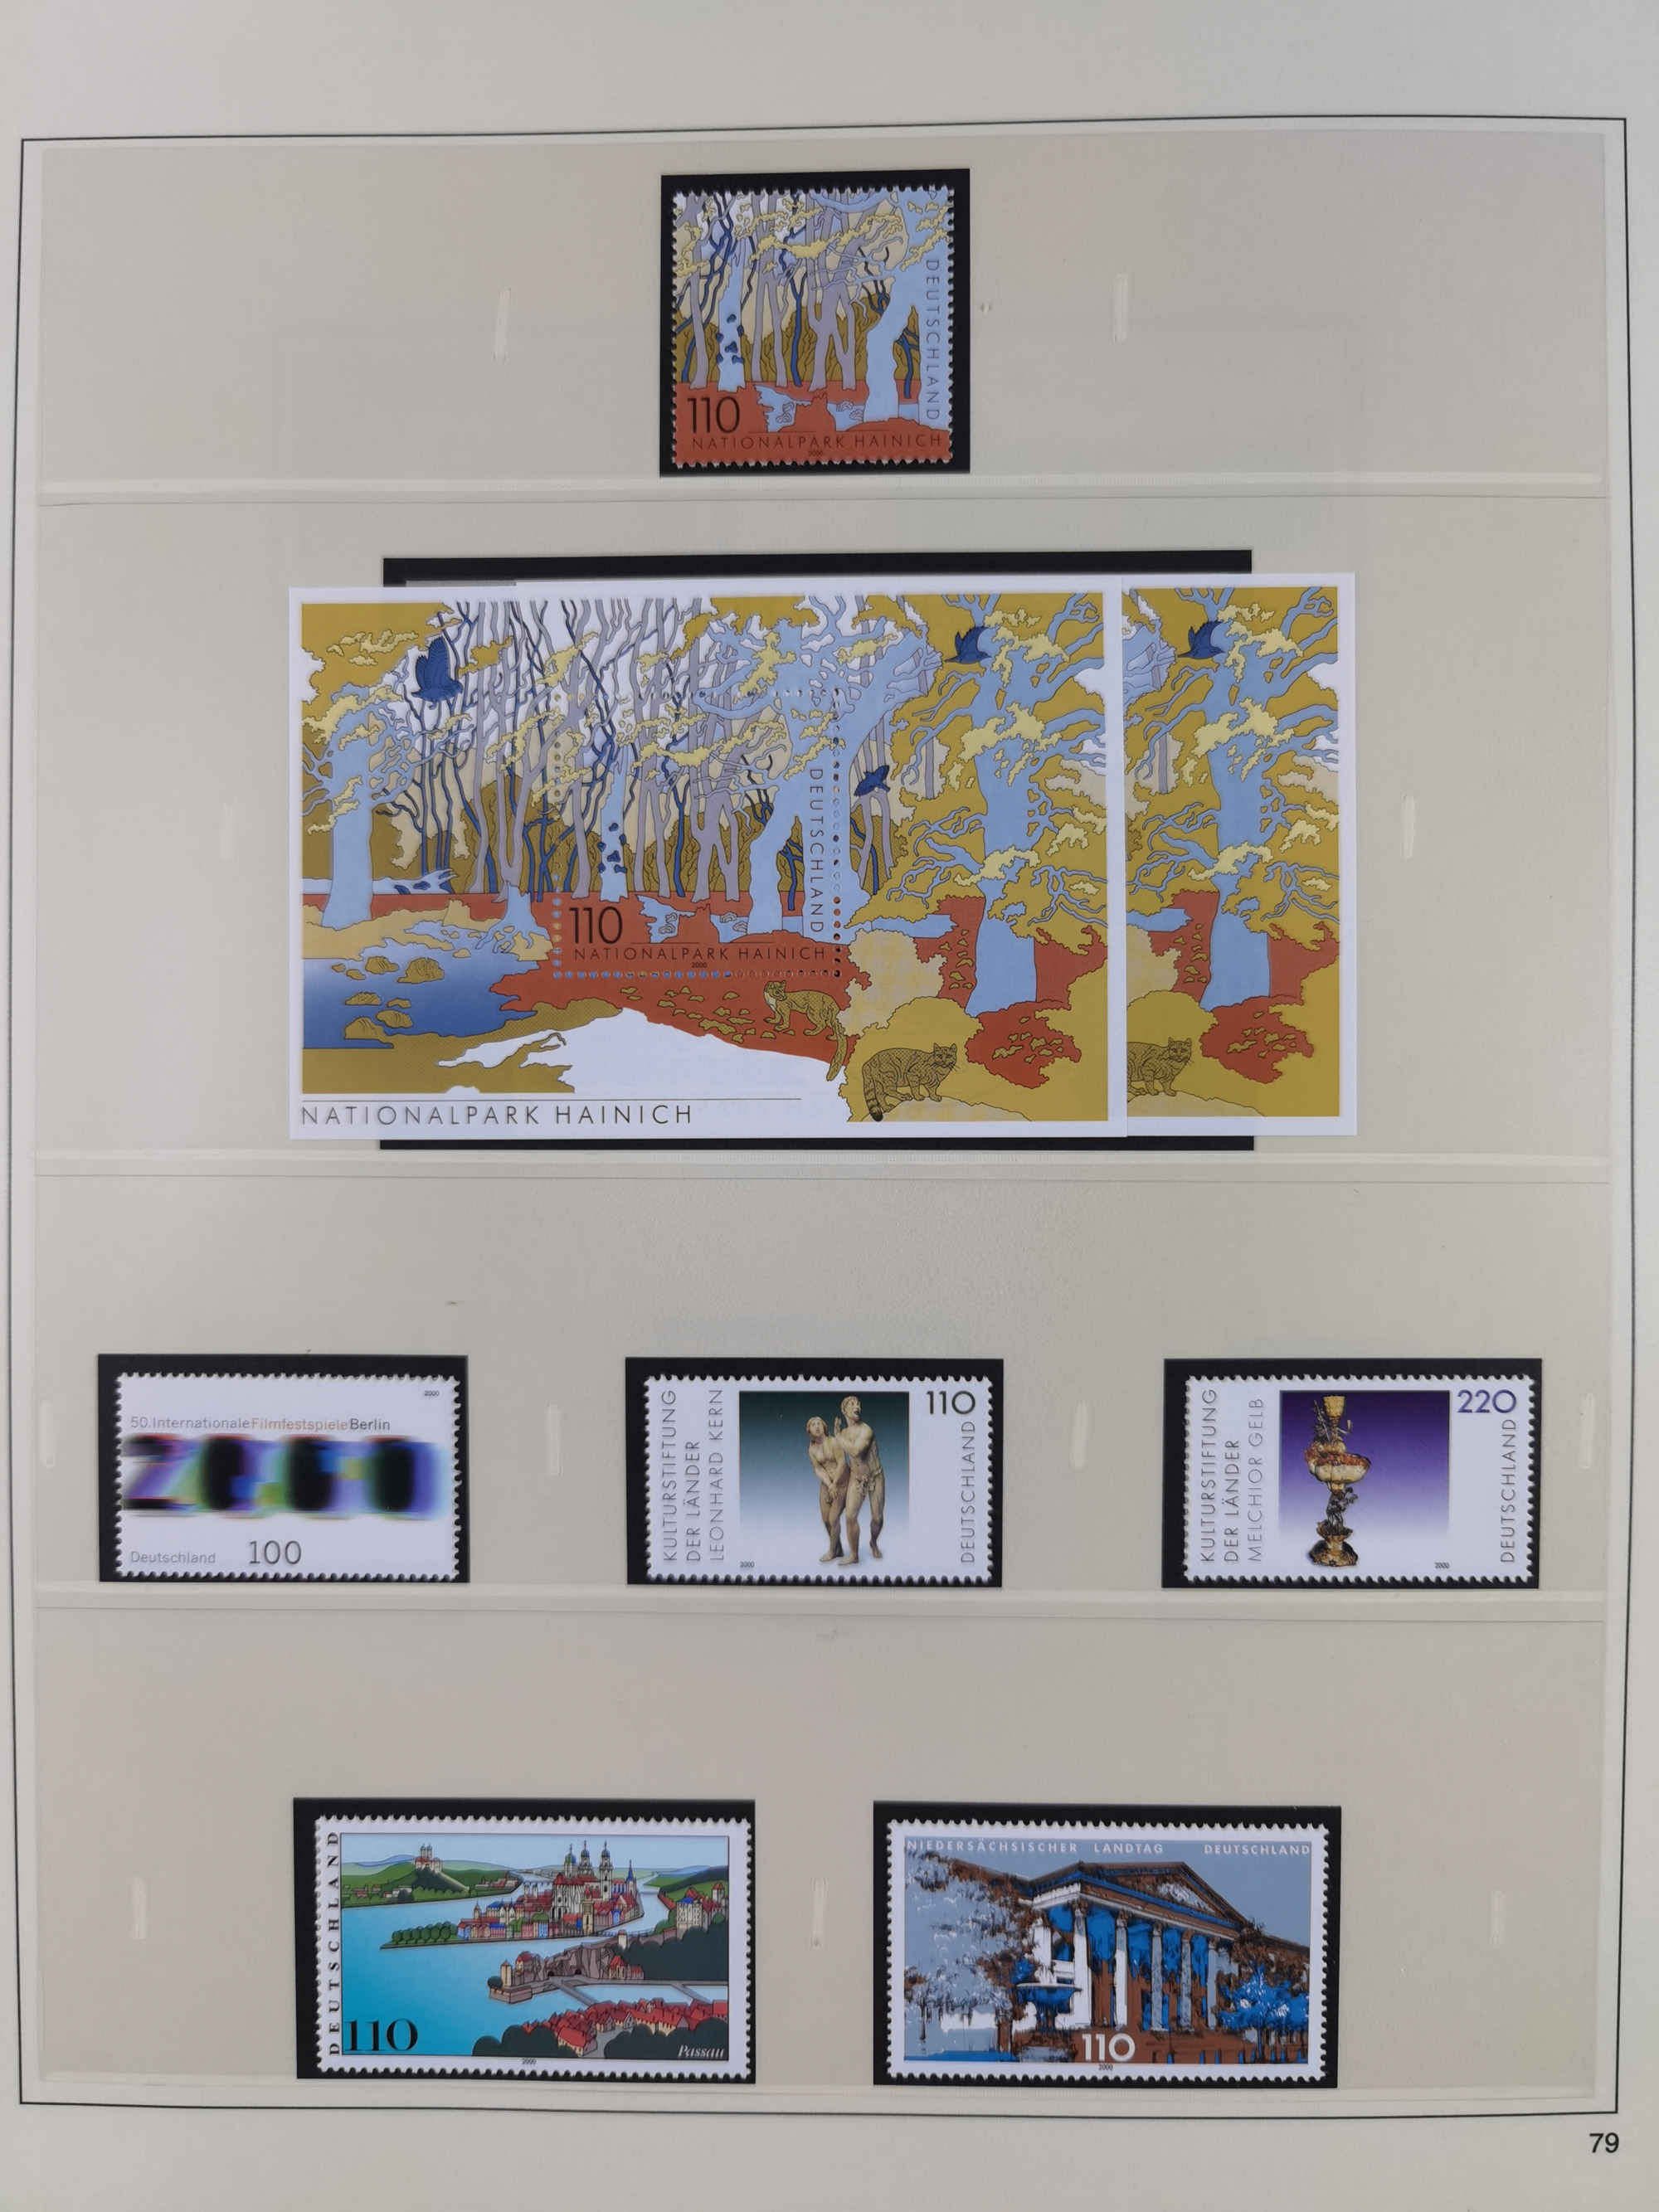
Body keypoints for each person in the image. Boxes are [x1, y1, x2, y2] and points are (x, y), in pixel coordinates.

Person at [834, 1394, 884, 1563]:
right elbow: (840, 1459)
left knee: (877, 1518)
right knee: (849, 1516)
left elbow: (855, 1451)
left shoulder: (866, 1430)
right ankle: (854, 1555)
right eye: (852, 1404)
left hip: (875, 1477)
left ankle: (873, 1542)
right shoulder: (843, 1434)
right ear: (844, 1410)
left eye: (858, 1404)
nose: (857, 1407)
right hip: (856, 1478)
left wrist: (838, 1437)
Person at [805, 1416, 849, 1563]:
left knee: (833, 1518)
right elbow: (818, 1469)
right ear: (809, 1432)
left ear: (824, 1427)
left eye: (819, 1423)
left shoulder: (833, 1442)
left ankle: (831, 1551)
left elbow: (842, 1463)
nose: (817, 1426)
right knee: (826, 1520)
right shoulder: (812, 1449)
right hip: (827, 1484)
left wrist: (835, 1484)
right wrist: (829, 1484)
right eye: (813, 1425)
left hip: (842, 1482)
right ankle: (838, 1548)